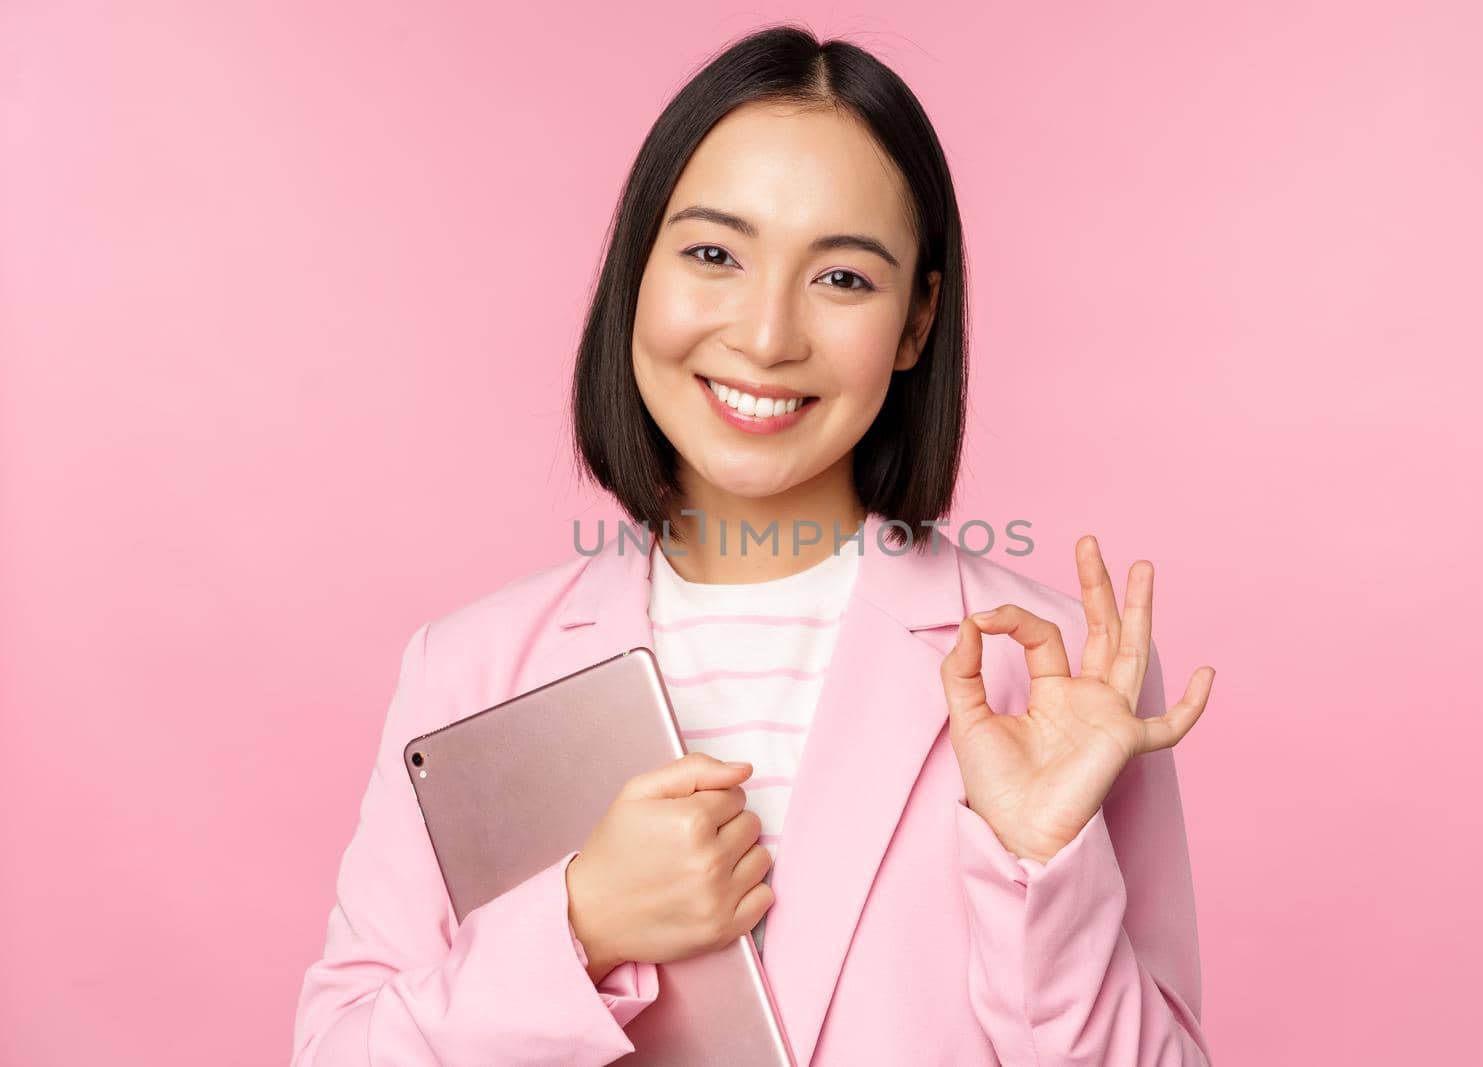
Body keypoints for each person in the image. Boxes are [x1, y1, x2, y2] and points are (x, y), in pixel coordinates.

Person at [292, 23, 1216, 1067]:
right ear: (637, 268)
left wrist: (1040, 865)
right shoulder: (465, 668)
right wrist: (578, 925)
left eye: (843, 280)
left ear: (916, 325)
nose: (768, 334)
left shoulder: (1050, 673)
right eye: (714, 254)